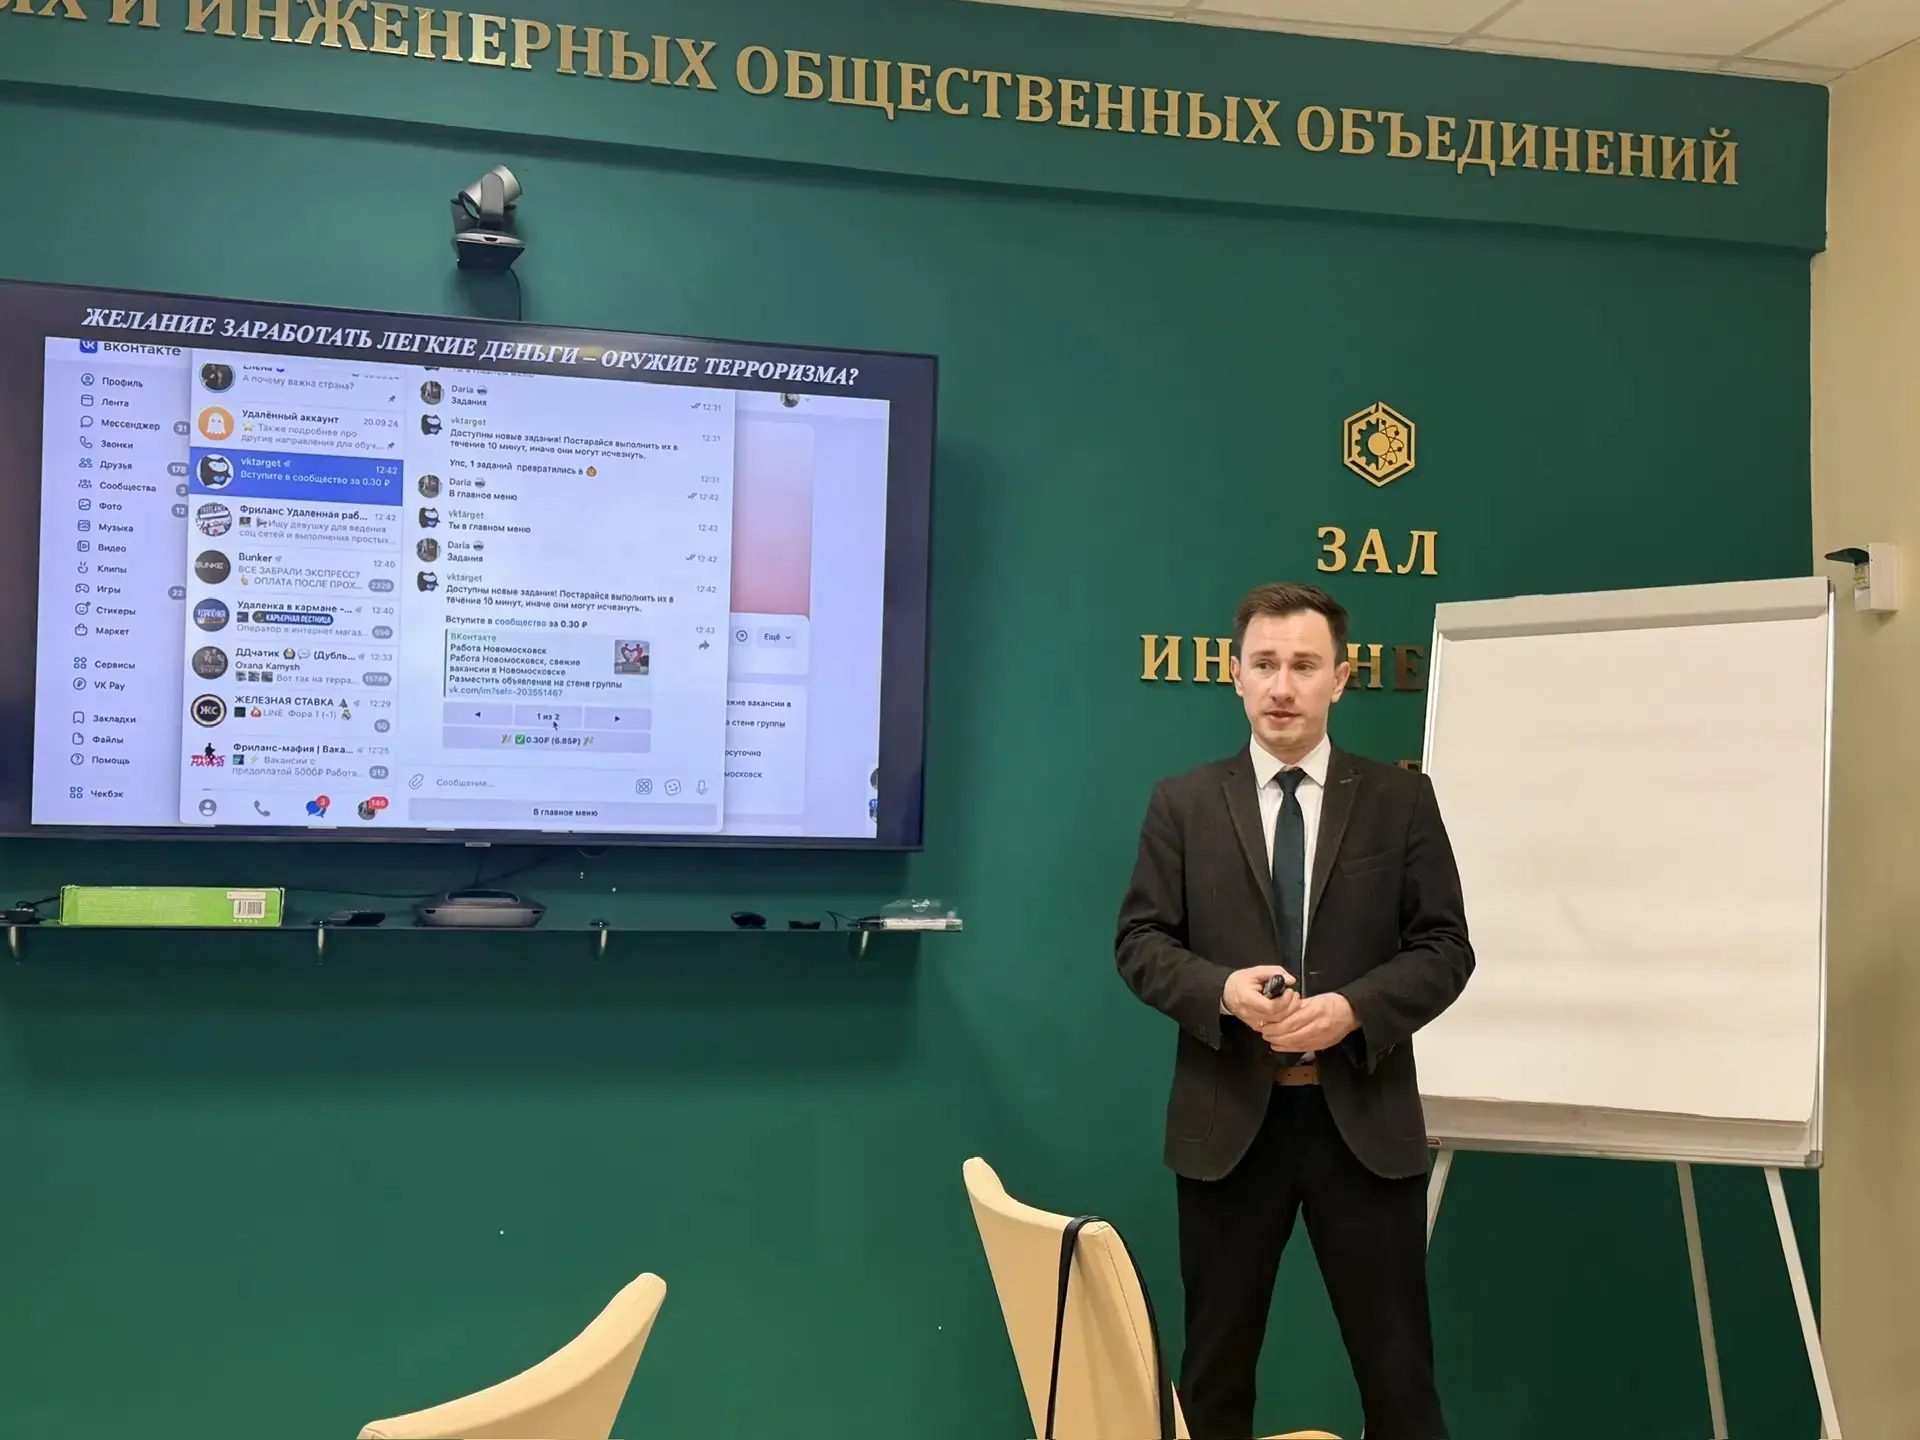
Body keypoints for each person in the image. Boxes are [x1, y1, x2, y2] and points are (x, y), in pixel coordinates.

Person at [1115, 581, 1474, 1440]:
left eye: (1305, 666)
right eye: (1265, 664)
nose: (1283, 686)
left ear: (1340, 679)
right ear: (1235, 675)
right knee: (1214, 1381)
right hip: (1228, 1130)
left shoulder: (1400, 800)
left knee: (1399, 1380)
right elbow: (1140, 942)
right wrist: (1221, 992)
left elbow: (1445, 948)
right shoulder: (1182, 803)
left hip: (1364, 1126)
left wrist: (1353, 1008)